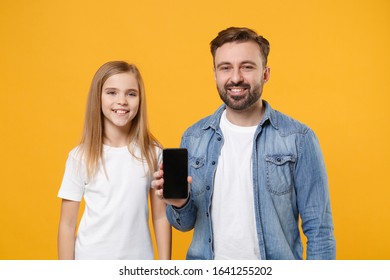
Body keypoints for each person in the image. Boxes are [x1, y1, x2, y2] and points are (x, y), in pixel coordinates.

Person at [153, 27, 336, 260]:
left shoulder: (298, 138)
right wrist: (180, 204)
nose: (236, 77)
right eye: (225, 67)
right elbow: (184, 224)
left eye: (247, 67)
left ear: (265, 74)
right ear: (215, 74)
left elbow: (320, 232)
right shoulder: (194, 137)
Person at [58, 61, 171, 260]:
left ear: (140, 99)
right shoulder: (80, 156)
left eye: (131, 93)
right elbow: (67, 225)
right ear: (98, 98)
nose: (122, 101)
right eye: (112, 92)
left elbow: (161, 216)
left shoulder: (153, 154)